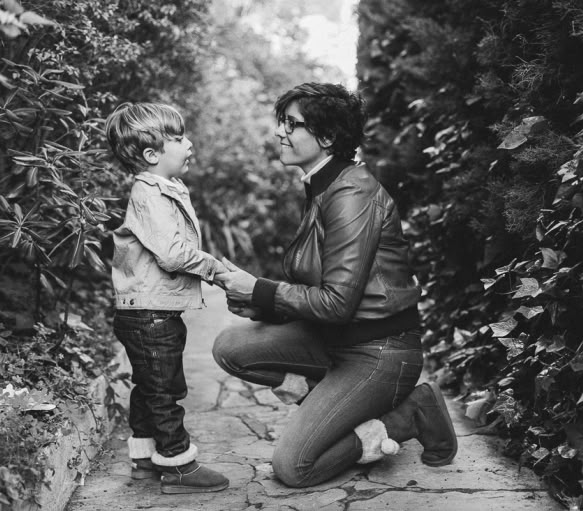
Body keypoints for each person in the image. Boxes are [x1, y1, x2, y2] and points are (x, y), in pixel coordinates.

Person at [212, 83, 457, 488]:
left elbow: (338, 302)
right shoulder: (321, 187)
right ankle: (335, 402)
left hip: (379, 351)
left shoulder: (350, 193)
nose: (280, 132)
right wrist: (259, 304)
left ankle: (409, 413)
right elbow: (323, 289)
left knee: (294, 467)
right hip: (334, 341)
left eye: (293, 124)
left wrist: (259, 289)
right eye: (282, 122)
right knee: (231, 348)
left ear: (326, 137)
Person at [105, 102, 229, 494]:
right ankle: (178, 463)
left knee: (149, 385)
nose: (188, 143)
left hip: (151, 309)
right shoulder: (149, 193)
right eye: (178, 138)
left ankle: (144, 460)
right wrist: (214, 268)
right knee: (164, 389)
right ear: (151, 154)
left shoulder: (164, 187)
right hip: (149, 312)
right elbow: (173, 253)